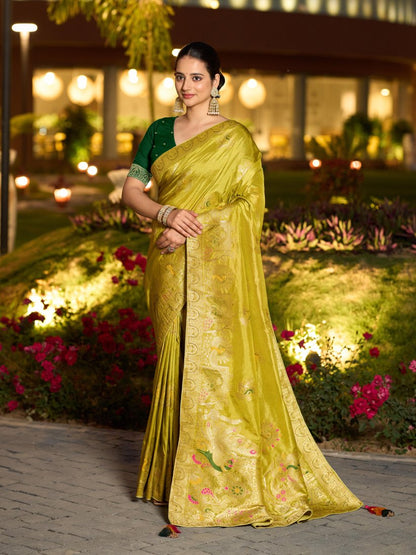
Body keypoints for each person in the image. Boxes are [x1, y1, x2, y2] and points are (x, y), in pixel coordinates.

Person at [122, 42, 362, 528]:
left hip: (214, 266)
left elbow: (248, 206)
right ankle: (170, 477)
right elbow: (131, 191)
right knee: (175, 357)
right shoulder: (160, 132)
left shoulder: (235, 138)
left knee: (215, 363)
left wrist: (190, 227)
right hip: (167, 261)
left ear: (216, 81)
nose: (186, 86)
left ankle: (222, 480)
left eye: (196, 77)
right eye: (179, 76)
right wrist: (166, 214)